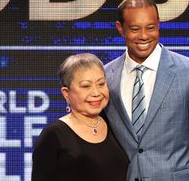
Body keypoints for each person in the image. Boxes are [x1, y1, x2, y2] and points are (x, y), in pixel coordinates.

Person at [104, 0, 189, 181]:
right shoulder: (105, 76)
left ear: (158, 24)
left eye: (151, 27)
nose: (144, 36)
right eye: (135, 29)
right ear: (120, 28)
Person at [32, 53, 128, 181]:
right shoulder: (54, 135)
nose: (96, 93)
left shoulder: (115, 123)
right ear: (66, 93)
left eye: (101, 84)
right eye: (86, 86)